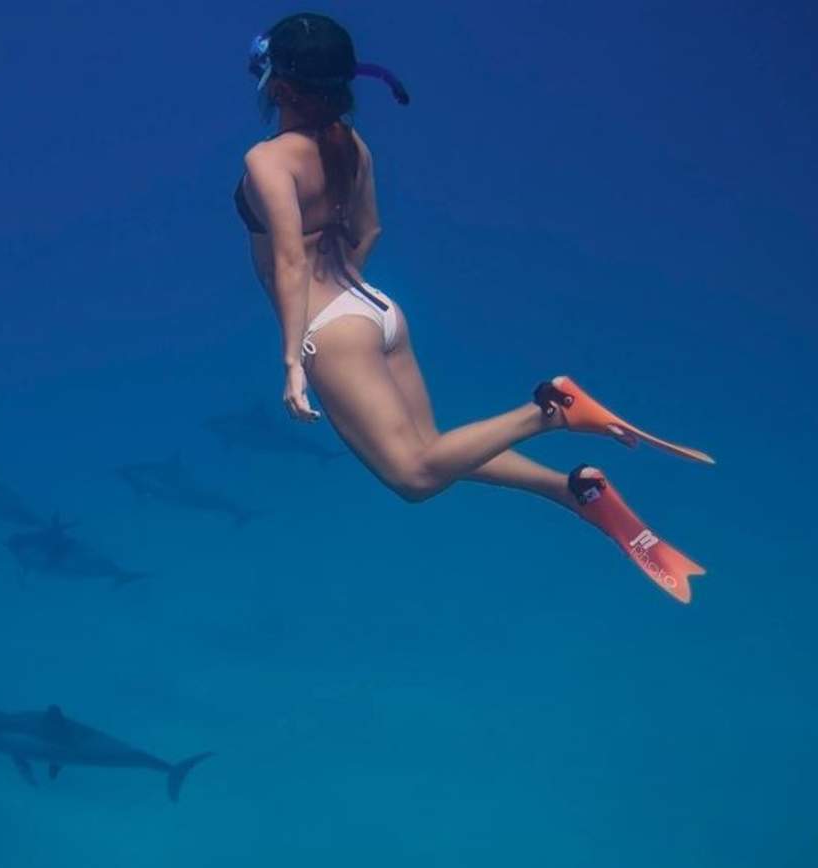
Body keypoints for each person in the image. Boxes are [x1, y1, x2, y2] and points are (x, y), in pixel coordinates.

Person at [235, 13, 713, 603]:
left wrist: (293, 359)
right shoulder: (351, 145)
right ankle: (571, 491)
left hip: (329, 330)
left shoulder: (268, 161)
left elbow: (289, 261)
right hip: (376, 308)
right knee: (434, 448)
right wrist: (347, 288)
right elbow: (369, 229)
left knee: (413, 477)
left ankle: (551, 412)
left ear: (281, 87)